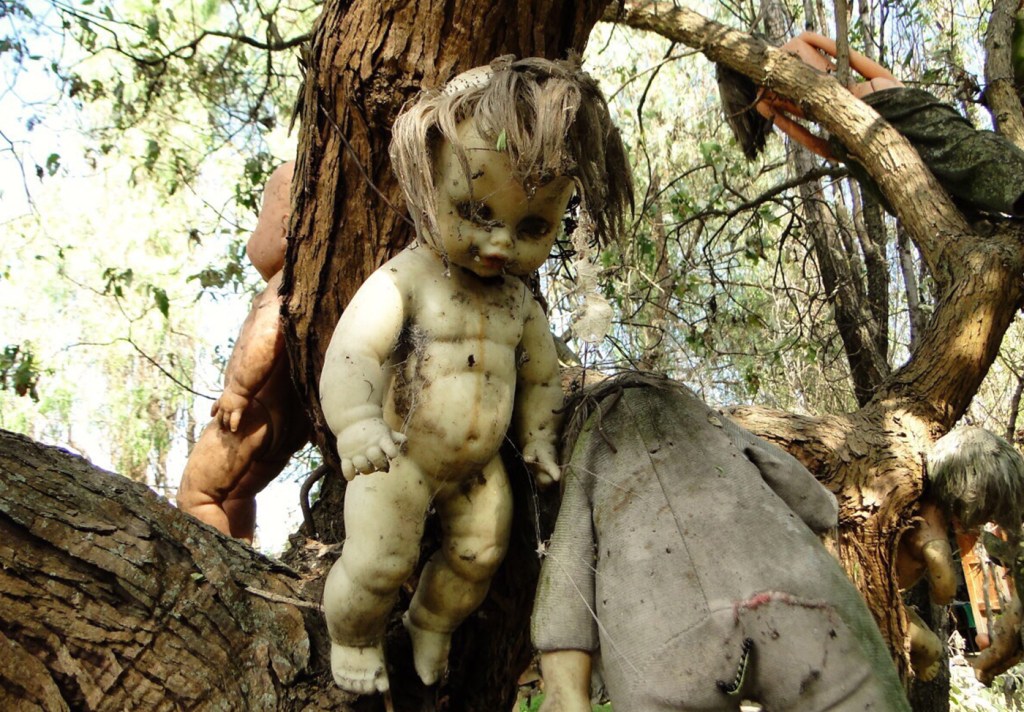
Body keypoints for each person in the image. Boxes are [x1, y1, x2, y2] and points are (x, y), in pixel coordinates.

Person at [317, 56, 632, 695]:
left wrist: (539, 438)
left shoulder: (519, 303)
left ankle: (431, 622)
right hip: (400, 456)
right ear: (428, 181)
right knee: (378, 562)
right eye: (476, 214)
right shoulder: (406, 279)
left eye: (532, 227)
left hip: (479, 468)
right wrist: (355, 423)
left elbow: (541, 378)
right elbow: (353, 353)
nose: (500, 245)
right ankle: (352, 636)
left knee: (479, 556)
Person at [532, 373, 910, 711]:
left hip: (660, 641)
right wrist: (825, 504)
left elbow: (566, 564)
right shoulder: (705, 418)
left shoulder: (586, 454)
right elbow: (812, 501)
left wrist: (564, 690)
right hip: (796, 601)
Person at [718, 31, 1024, 216]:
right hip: (874, 111)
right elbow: (854, 62)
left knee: (958, 160)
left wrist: (847, 148)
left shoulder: (770, 91)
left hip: (876, 113)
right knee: (952, 166)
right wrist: (891, 91)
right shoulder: (792, 56)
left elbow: (820, 146)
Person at [176, 162, 311, 544]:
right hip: (292, 422)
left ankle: (222, 566)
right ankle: (243, 552)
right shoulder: (308, 284)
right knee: (237, 493)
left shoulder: (284, 281)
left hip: (254, 410)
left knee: (197, 495)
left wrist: (238, 390)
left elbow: (268, 331)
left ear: (284, 228)